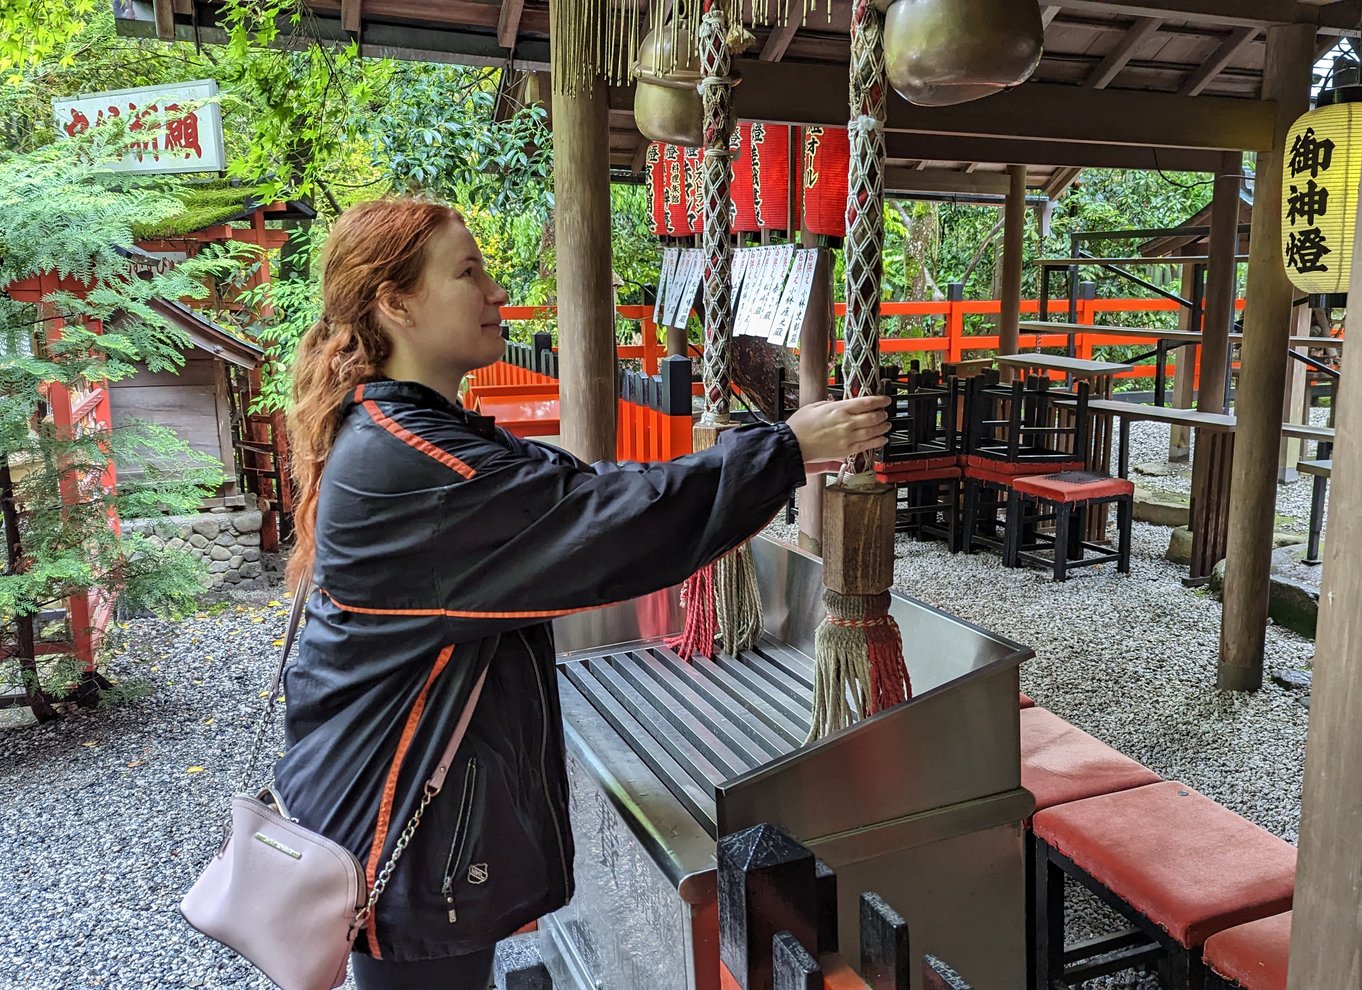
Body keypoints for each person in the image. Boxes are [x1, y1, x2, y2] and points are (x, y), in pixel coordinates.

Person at [274, 197, 890, 990]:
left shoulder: (415, 431)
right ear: (396, 305)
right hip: (398, 834)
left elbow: (569, 489)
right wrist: (787, 449)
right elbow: (603, 523)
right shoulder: (410, 462)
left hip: (392, 817)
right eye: (468, 273)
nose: (496, 291)